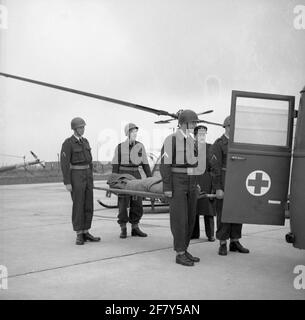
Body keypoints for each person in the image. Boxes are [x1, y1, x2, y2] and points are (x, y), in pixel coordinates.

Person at [160, 110, 203, 267]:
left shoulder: (191, 140)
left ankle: (184, 249)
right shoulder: (171, 140)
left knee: (190, 218)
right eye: (193, 123)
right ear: (184, 123)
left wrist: (196, 182)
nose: (194, 125)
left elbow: (194, 164)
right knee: (180, 219)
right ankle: (179, 253)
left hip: (190, 182)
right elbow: (165, 165)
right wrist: (167, 187)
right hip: (177, 182)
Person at [210, 116, 249, 255]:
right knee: (223, 213)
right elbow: (215, 168)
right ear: (225, 127)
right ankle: (222, 242)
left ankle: (235, 241)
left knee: (237, 212)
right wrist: (218, 188)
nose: (232, 129)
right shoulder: (219, 144)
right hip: (224, 181)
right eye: (230, 126)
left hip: (238, 182)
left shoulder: (240, 143)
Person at [60, 117, 101, 245]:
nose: (82, 129)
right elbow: (64, 164)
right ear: (74, 129)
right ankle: (79, 234)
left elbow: (90, 162)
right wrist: (67, 182)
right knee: (78, 205)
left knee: (89, 204)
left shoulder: (86, 142)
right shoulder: (68, 143)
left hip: (87, 176)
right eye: (80, 127)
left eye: (83, 127)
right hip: (76, 176)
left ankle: (86, 231)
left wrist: (91, 180)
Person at [112, 123, 152, 238]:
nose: (135, 134)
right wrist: (114, 180)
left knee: (137, 203)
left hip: (136, 176)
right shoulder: (120, 147)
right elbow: (115, 164)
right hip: (123, 176)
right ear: (127, 133)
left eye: (136, 131)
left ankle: (135, 227)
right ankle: (123, 228)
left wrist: (149, 178)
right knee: (123, 203)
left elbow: (145, 163)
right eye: (133, 131)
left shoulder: (140, 146)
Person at [191, 125, 215, 241]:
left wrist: (214, 185)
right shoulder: (189, 148)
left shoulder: (210, 148)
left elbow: (214, 167)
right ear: (194, 135)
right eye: (200, 134)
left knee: (208, 209)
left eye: (204, 134)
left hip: (206, 180)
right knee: (193, 208)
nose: (202, 136)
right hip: (193, 180)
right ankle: (193, 233)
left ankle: (210, 234)